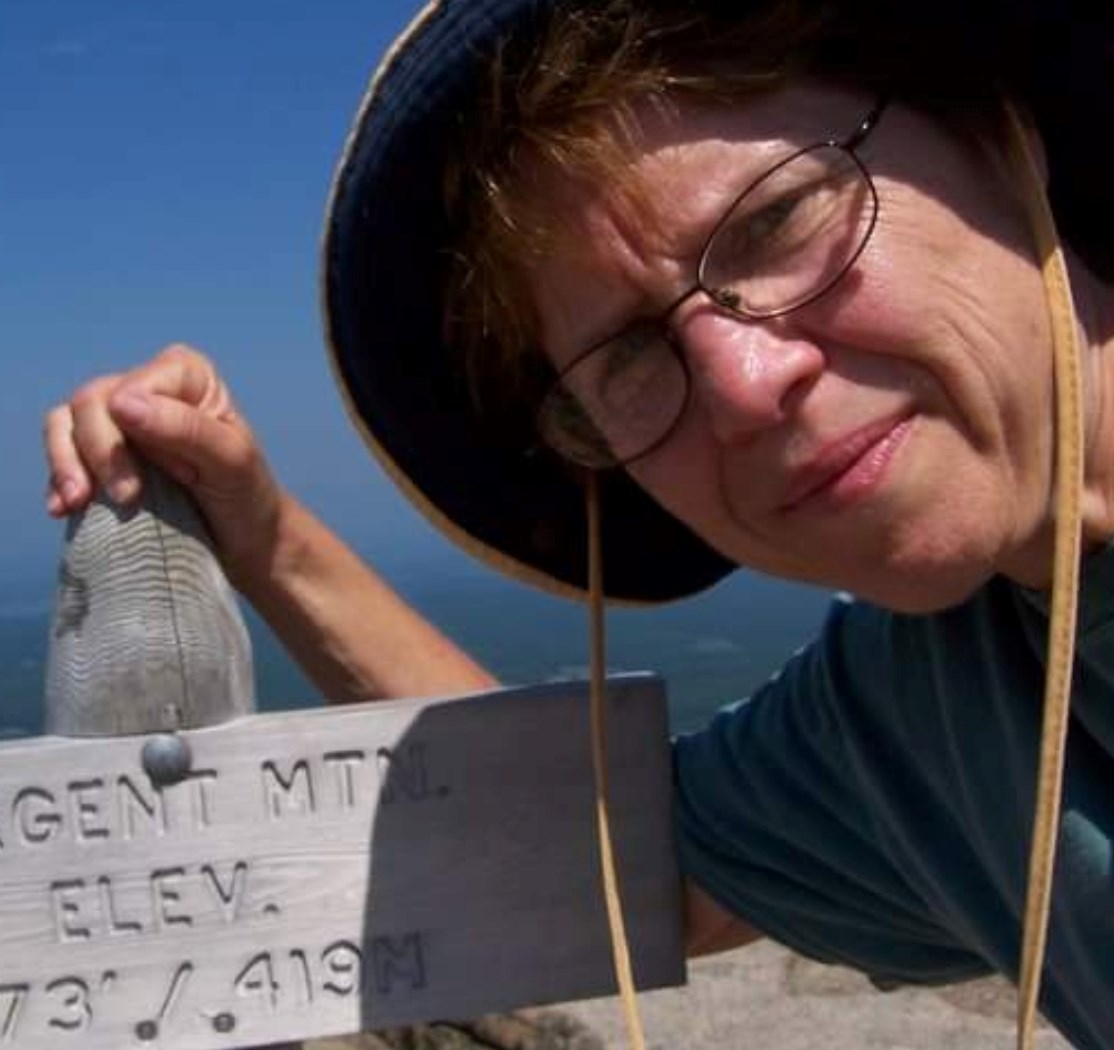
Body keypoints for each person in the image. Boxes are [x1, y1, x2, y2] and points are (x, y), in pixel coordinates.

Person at [41, 0, 1114, 1046]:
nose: (741, 384)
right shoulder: (924, 710)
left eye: (777, 220)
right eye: (631, 359)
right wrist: (267, 537)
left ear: (998, 128)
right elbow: (625, 869)